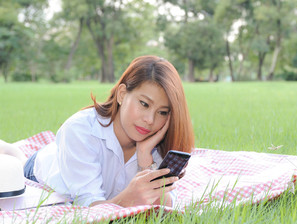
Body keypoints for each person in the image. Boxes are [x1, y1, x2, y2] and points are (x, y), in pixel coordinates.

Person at [0, 55, 195, 208]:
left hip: (75, 154)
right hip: (45, 169)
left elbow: (167, 205)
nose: (150, 120)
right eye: (144, 104)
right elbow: (89, 208)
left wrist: (146, 162)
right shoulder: (80, 130)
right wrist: (127, 199)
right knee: (19, 159)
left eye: (162, 112)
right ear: (121, 94)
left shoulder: (157, 142)